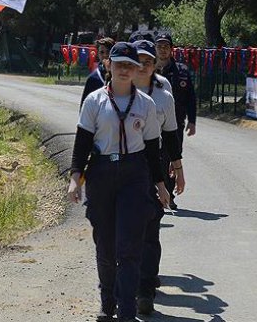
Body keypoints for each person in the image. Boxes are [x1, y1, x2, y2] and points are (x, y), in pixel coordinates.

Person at [68, 42, 168, 322]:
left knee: (129, 246)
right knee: (105, 245)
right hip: (101, 173)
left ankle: (126, 310)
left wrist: (160, 185)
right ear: (108, 66)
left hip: (134, 176)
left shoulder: (146, 105)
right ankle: (107, 300)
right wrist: (75, 178)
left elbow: (151, 150)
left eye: (130, 65)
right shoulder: (95, 101)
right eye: (119, 64)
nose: (125, 70)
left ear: (137, 70)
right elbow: (83, 142)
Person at [132, 39, 185, 315]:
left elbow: (171, 134)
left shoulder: (164, 91)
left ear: (155, 64)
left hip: (155, 166)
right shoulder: (114, 87)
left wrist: (178, 169)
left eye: (148, 61)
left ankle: (144, 290)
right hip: (122, 167)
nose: (143, 65)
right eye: (138, 60)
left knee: (150, 230)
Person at [154, 33, 196, 210]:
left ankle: (169, 196)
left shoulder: (182, 71)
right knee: (155, 158)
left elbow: (191, 98)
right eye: (160, 46)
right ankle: (155, 193)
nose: (163, 49)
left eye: (166, 46)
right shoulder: (149, 69)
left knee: (173, 157)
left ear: (171, 49)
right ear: (155, 48)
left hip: (176, 123)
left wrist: (192, 121)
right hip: (153, 123)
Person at [80, 37, 115, 107]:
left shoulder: (122, 76)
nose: (105, 55)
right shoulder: (93, 78)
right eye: (102, 52)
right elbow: (84, 106)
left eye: (108, 52)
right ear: (98, 54)